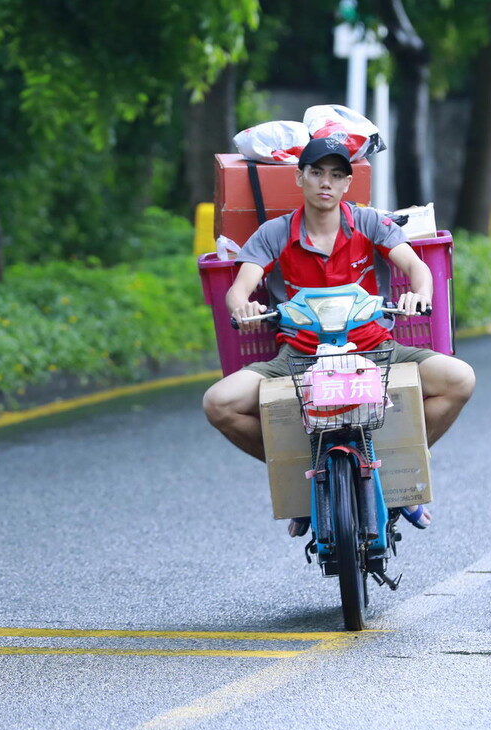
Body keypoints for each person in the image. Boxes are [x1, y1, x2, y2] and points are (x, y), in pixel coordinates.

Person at [202, 136, 476, 536]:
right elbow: (238, 289)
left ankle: (398, 481)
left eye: (336, 175)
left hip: (376, 349)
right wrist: (243, 307)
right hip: (298, 356)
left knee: (461, 380)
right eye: (316, 173)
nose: (325, 183)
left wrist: (420, 294)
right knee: (218, 403)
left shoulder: (370, 223)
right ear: (300, 178)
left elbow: (417, 269)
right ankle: (304, 484)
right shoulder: (274, 233)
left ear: (348, 184)